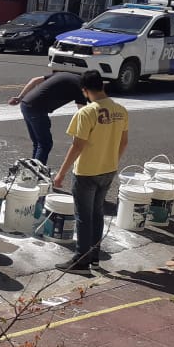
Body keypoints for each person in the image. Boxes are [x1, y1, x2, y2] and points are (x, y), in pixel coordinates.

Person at [52, 71, 129, 275]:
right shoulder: (120, 110)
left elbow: (77, 146)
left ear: (85, 91)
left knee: (83, 217)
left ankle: (81, 261)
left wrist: (60, 174)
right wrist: (112, 160)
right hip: (108, 170)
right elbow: (124, 142)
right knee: (97, 214)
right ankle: (94, 257)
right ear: (102, 86)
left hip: (87, 171)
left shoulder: (86, 113)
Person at [8, 71, 87, 165]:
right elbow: (82, 113)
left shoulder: (63, 74)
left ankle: (32, 170)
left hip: (25, 104)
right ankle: (37, 173)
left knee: (38, 143)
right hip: (37, 109)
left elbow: (34, 80)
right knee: (45, 144)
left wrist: (19, 97)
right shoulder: (81, 88)